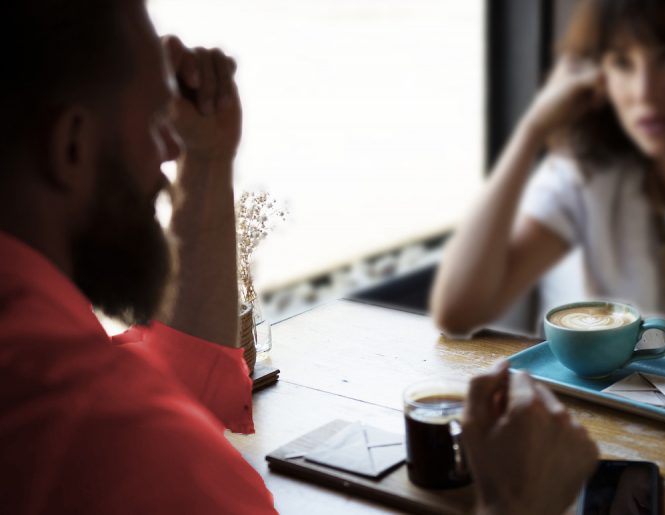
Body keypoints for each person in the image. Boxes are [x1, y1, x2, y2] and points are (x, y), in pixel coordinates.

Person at [0, 1, 597, 513]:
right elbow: (146, 436)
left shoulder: (41, 357)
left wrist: (207, 160)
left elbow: (178, 387)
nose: (166, 151)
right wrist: (517, 503)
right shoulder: (127, 453)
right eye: (152, 123)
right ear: (71, 146)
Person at [431, 0, 665, 405]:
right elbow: (457, 312)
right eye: (622, 62)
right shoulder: (585, 178)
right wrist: (532, 130)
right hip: (588, 442)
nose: (645, 91)